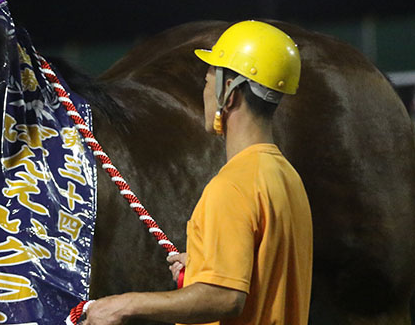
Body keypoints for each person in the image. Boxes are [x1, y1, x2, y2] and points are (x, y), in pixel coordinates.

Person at [83, 20, 313, 325]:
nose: (204, 93)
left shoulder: (232, 187)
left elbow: (225, 297)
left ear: (229, 94)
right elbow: (264, 269)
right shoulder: (286, 177)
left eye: (206, 82)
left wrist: (124, 305)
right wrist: (206, 265)